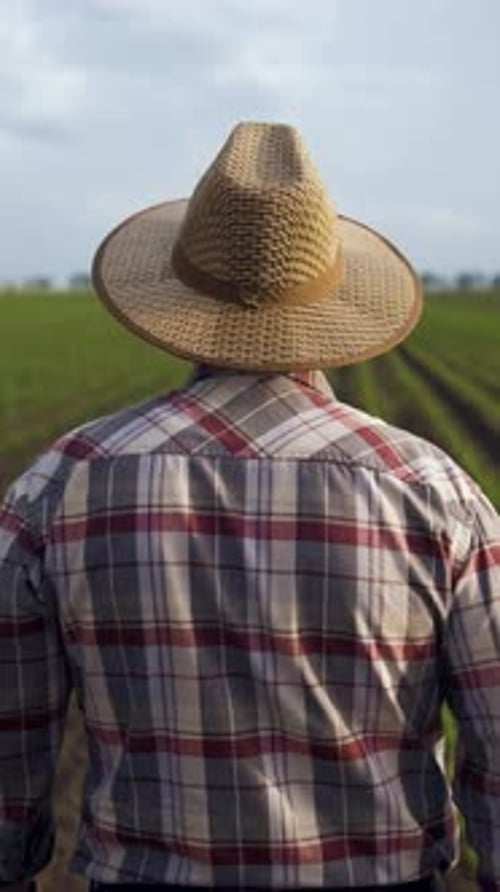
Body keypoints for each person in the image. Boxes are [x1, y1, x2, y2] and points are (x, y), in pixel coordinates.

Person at [0, 121, 499, 892]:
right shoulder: (435, 493)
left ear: (177, 298)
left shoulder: (62, 484)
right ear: (331, 302)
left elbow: (11, 737)